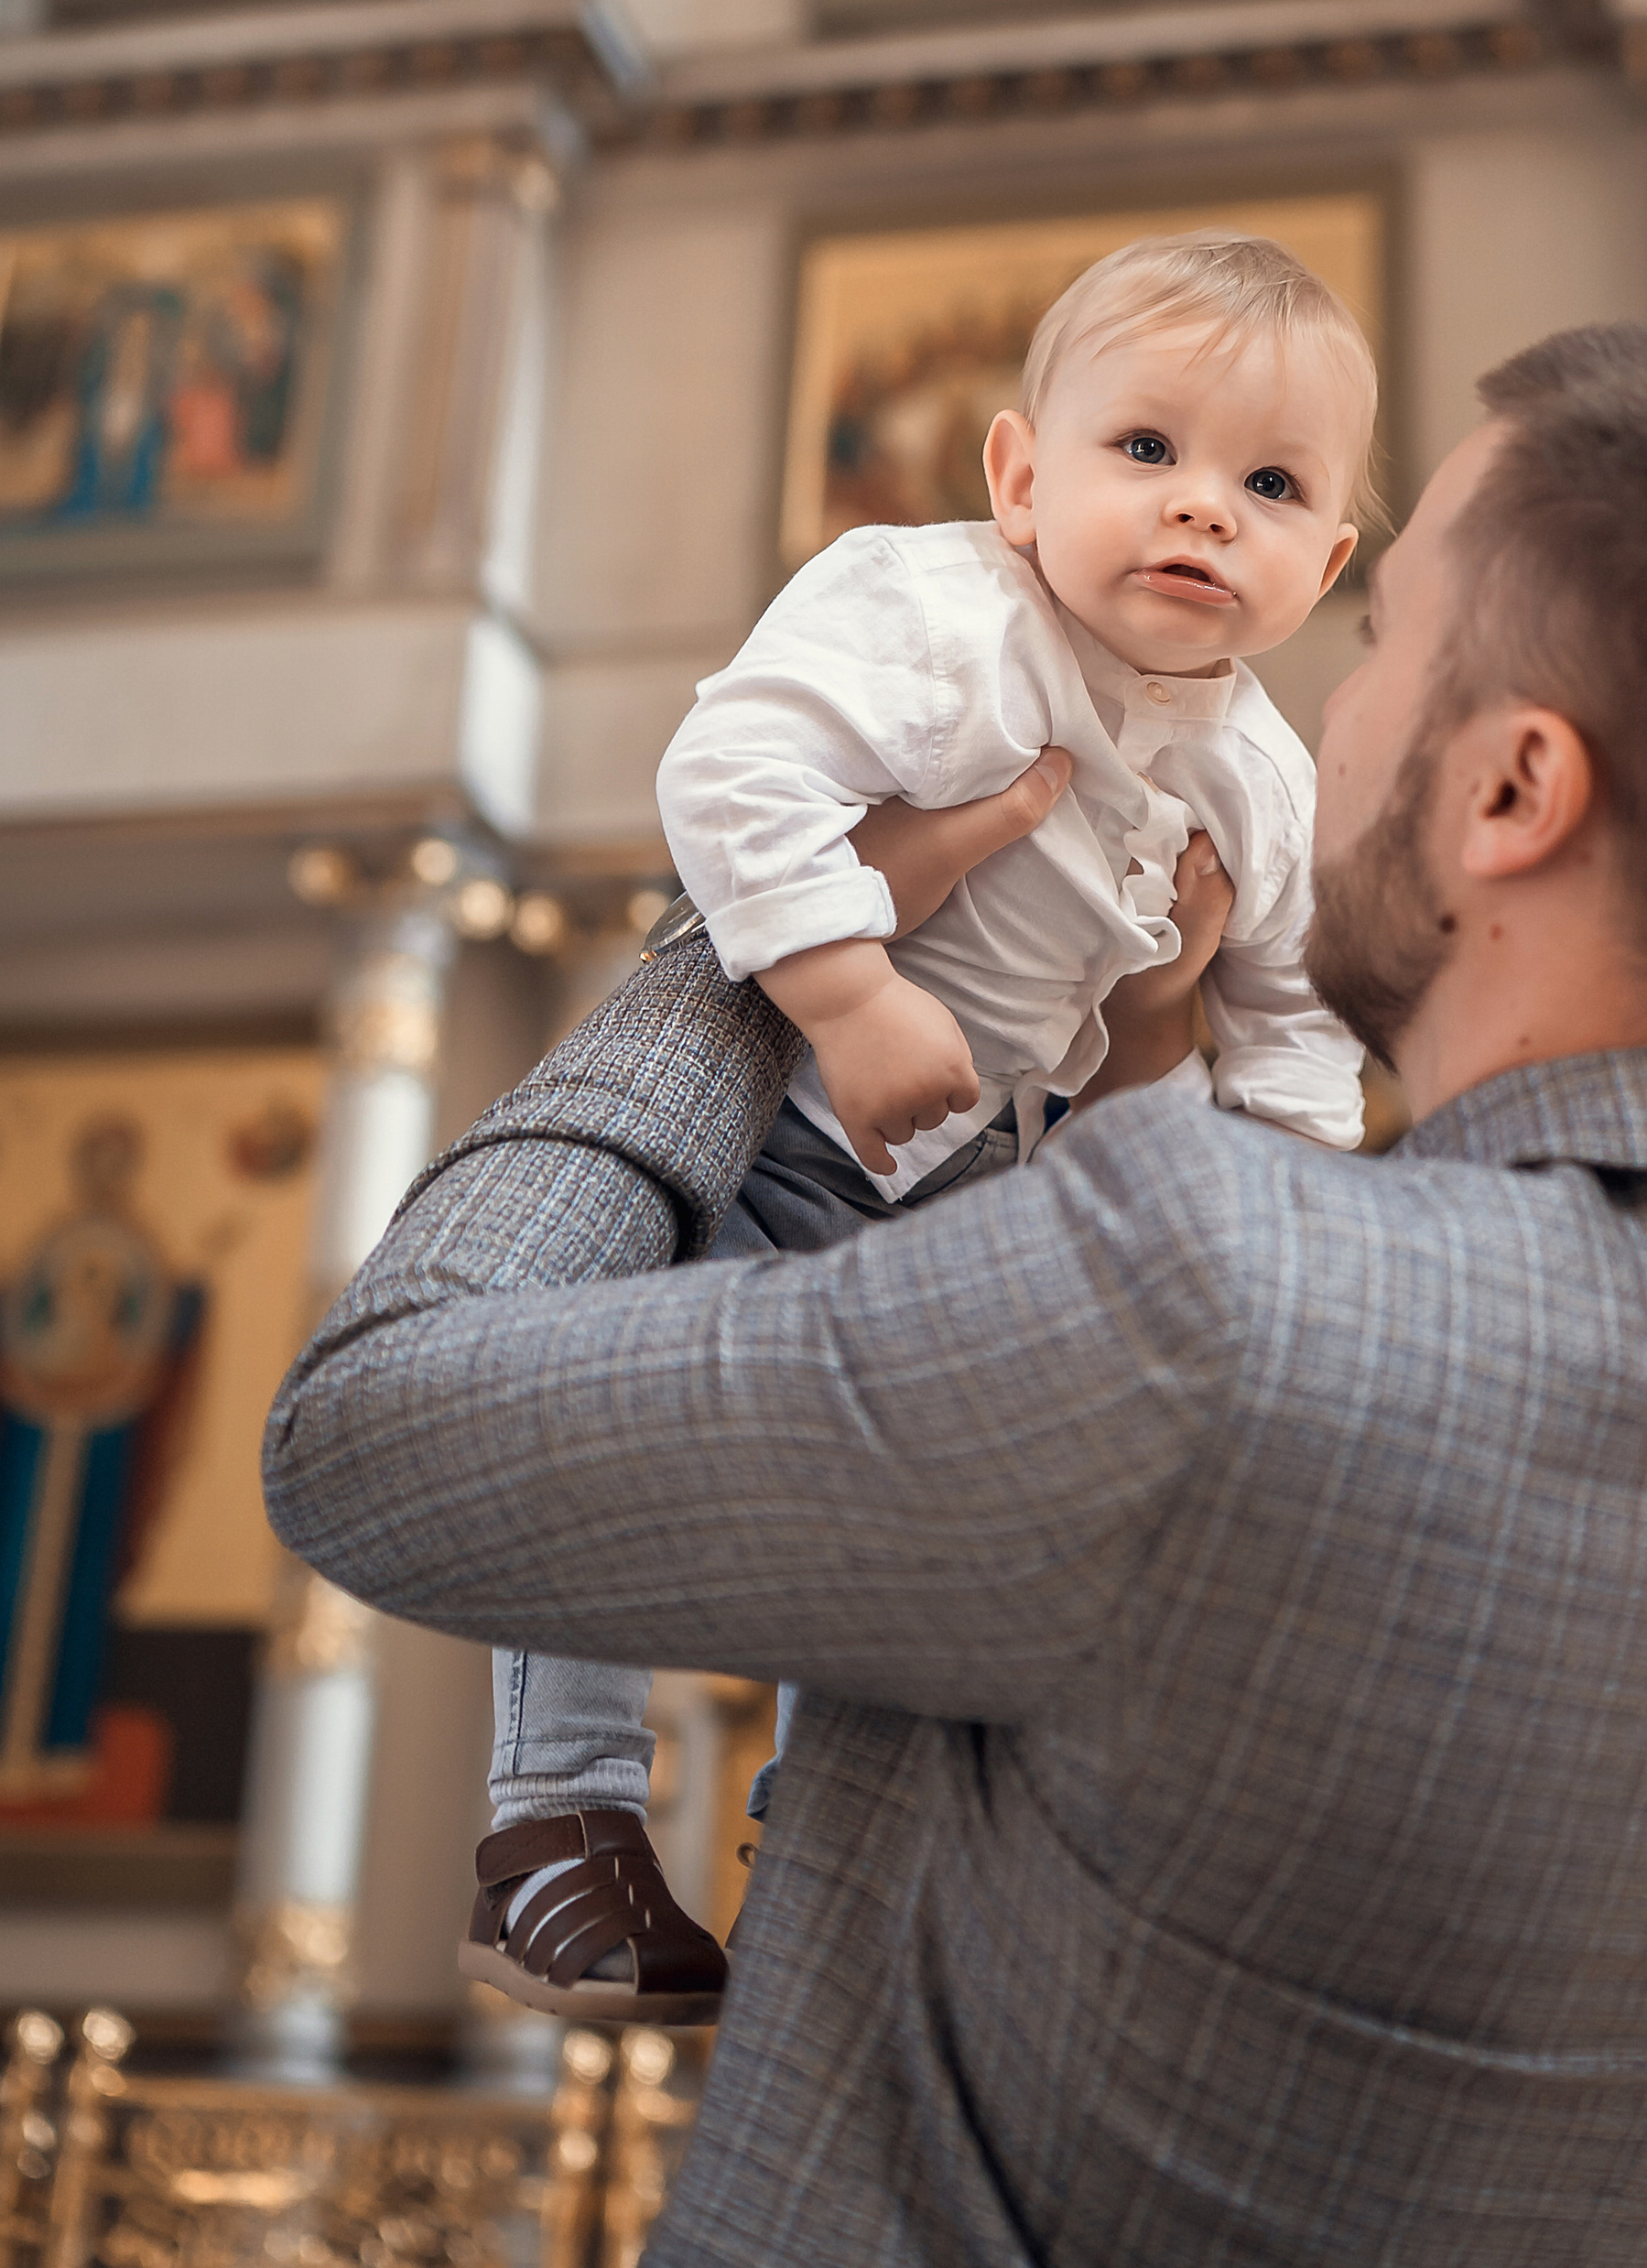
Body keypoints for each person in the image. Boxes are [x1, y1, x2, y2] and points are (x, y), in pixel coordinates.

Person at [265, 321, 1647, 2268]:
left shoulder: (1223, 1291)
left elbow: (375, 1429)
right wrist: (1126, 1063)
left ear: (1508, 790)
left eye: (1383, 636)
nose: (1326, 706)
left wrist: (760, 946)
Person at [466, 232, 1372, 2029]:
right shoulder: (930, 611)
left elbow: (1288, 1035)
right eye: (1147, 453)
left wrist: (1279, 1230)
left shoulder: (1266, 777)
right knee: (591, 1439)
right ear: (1018, 475)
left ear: (1325, 560)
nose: (1203, 512)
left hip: (975, 1199)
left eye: (1267, 486)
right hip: (772, 1130)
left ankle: (826, 1857)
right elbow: (731, 775)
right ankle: (555, 1819)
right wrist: (850, 996)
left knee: (908, 1537)